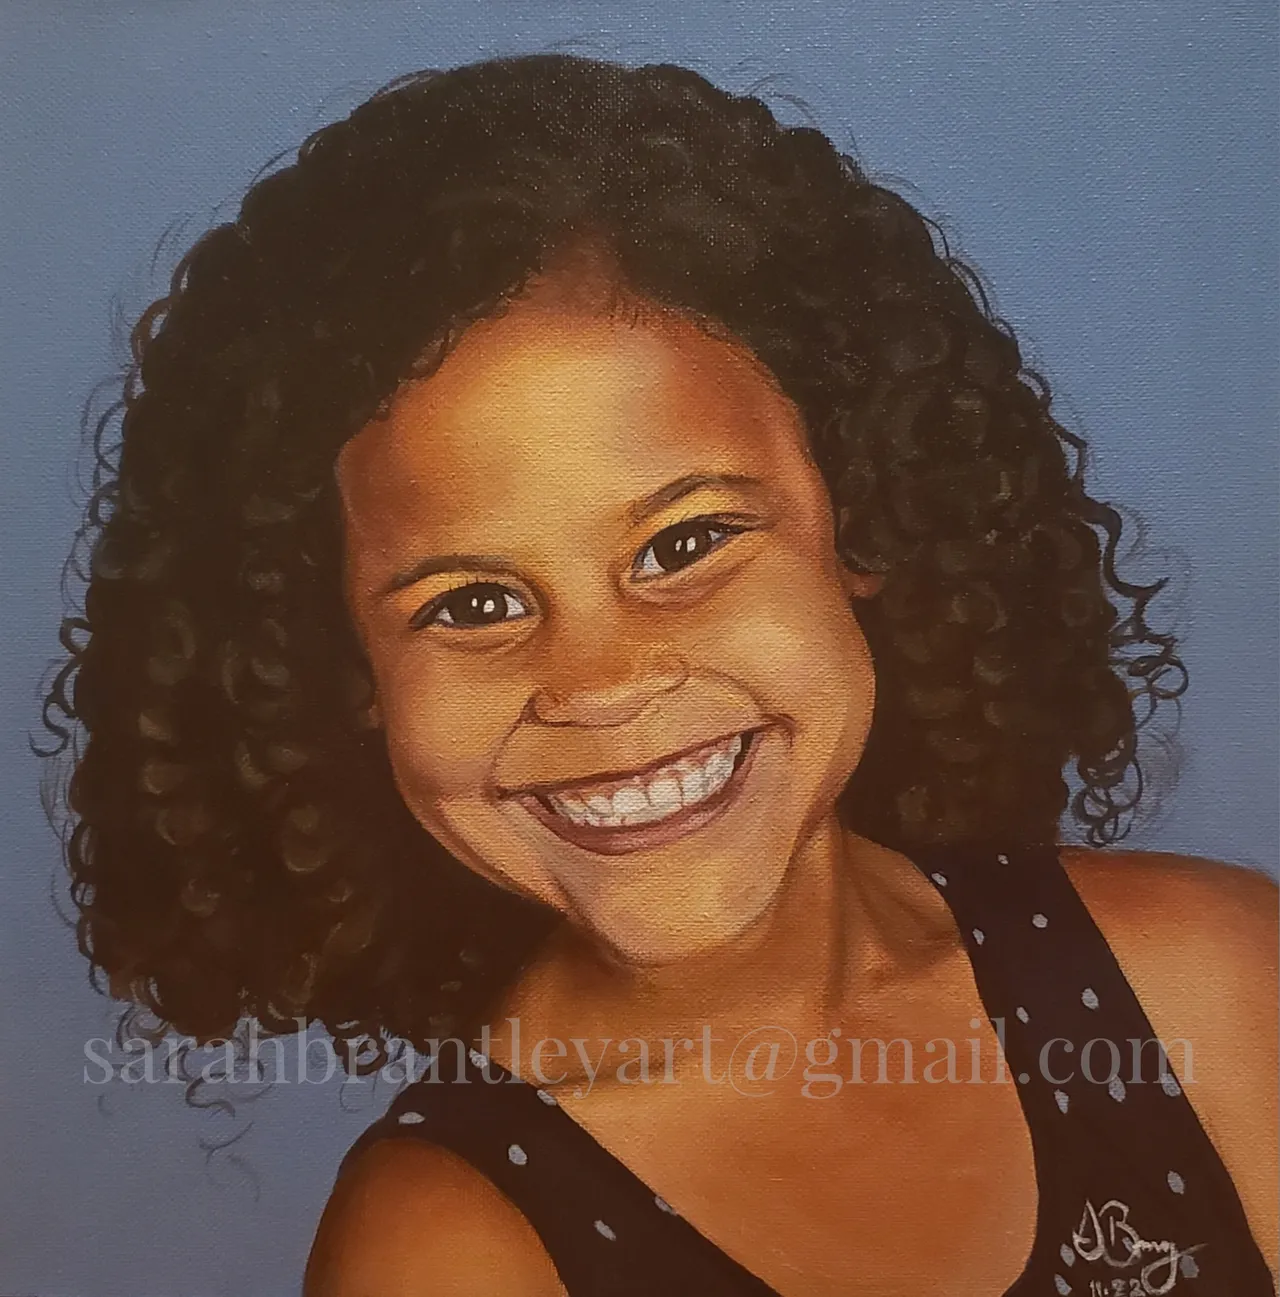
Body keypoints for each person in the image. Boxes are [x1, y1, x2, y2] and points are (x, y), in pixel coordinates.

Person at [45, 53, 1276, 1296]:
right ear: (341, 676)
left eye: (682, 545)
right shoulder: (447, 1245)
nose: (600, 682)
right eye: (473, 604)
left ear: (864, 520)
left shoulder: (1205, 981)